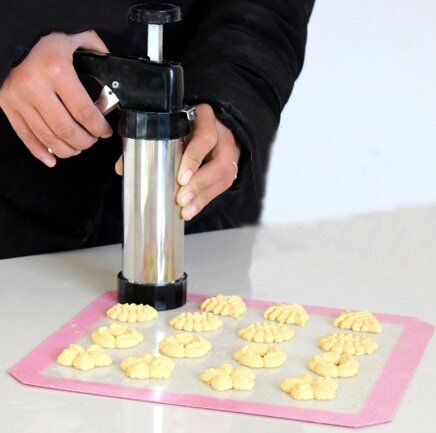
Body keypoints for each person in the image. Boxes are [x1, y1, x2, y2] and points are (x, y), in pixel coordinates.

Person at [0, 0, 315, 259]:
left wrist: (229, 103)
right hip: (15, 197)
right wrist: (16, 35)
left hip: (194, 222)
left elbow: (269, 9)